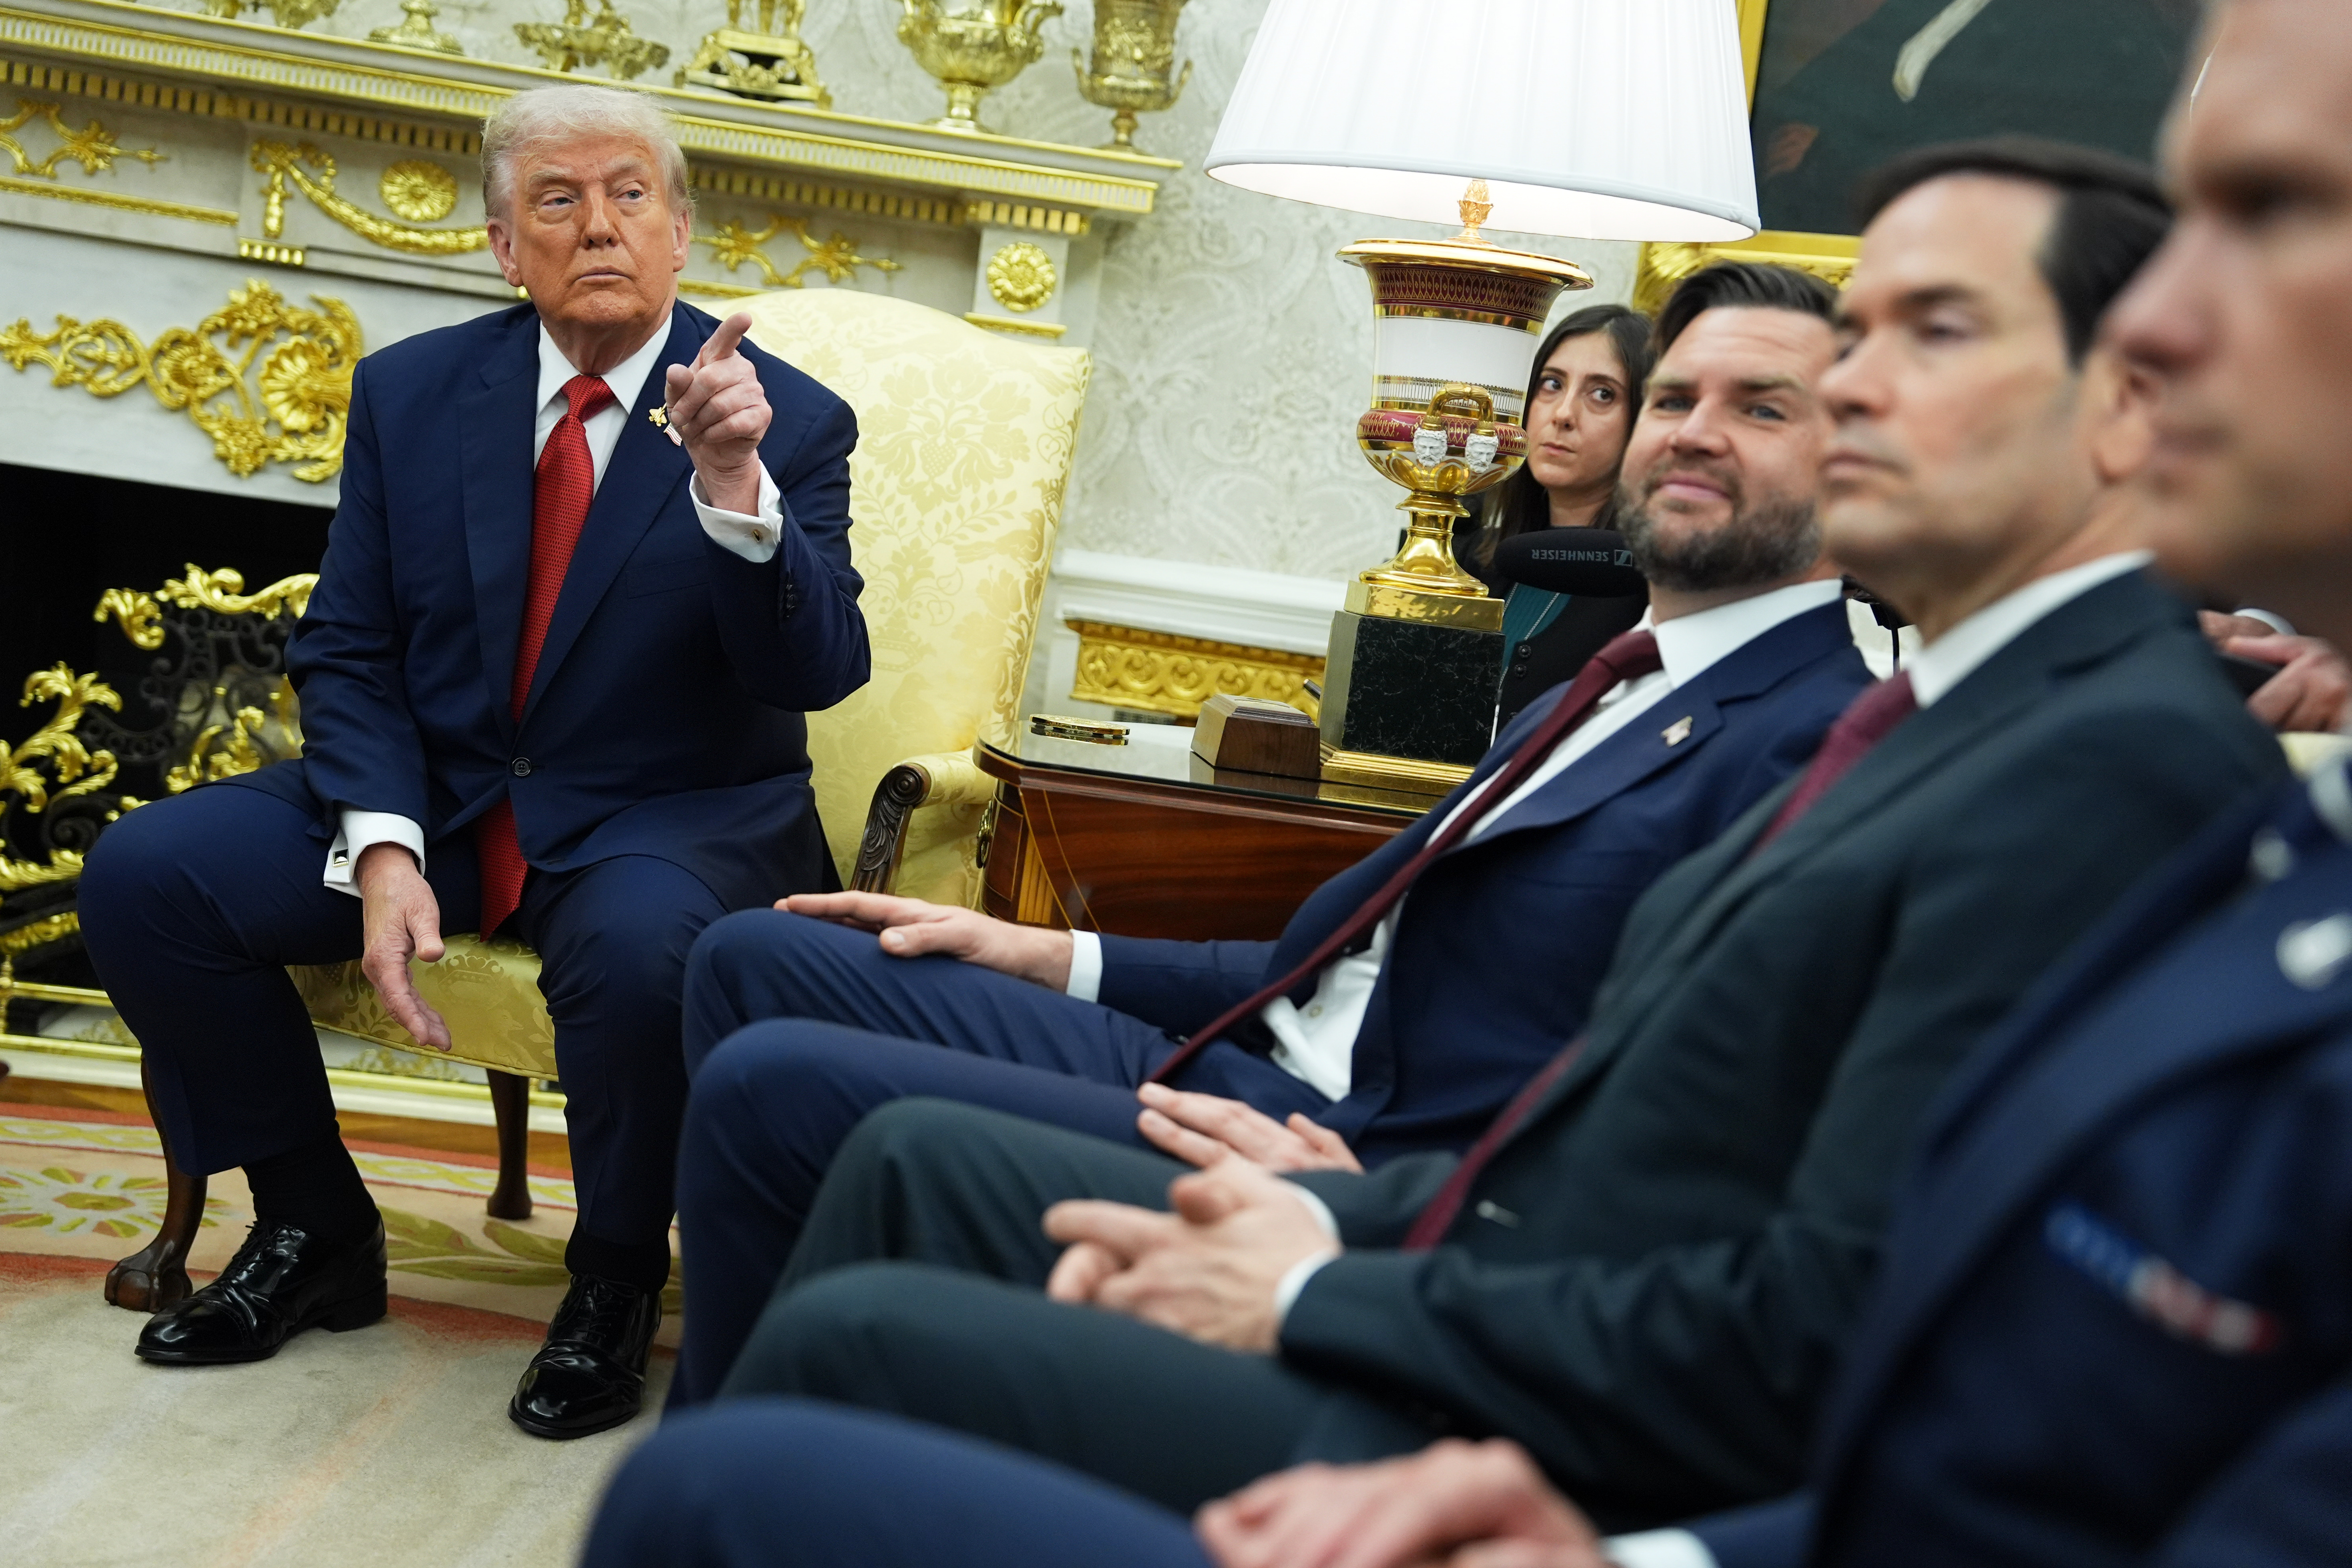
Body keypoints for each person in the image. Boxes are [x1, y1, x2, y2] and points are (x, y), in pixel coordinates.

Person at [706, 139, 2288, 1531]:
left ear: (2130, 394)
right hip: (1437, 1229)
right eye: (1850, 339)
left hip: (1535, 1398)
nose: (1859, 385)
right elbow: (1636, 1118)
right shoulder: (1908, 704)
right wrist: (1093, 980)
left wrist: (1334, 1259)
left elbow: (1834, 1294)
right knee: (822, 1095)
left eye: (1923, 336)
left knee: (776, 1404)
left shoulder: (2089, 753)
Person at [664, 263, 1879, 1404]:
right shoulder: (1607, 682)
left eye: (1760, 408)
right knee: (754, 955)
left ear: (1854, 461)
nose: (1693, 429)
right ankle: (759, 1368)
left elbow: (1678, 1112)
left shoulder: (1811, 746)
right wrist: (1043, 952)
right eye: (1673, 396)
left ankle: (746, 1448)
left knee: (775, 1088)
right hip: (1240, 1055)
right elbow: (1341, 963)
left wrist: (1394, 1204)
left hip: (1331, 1148)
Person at [73, 84, 868, 1440]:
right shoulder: (416, 390)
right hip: (440, 797)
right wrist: (381, 839)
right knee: (150, 872)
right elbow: (349, 643)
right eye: (557, 201)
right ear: (506, 247)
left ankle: (614, 1280)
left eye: (631, 195)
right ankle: (316, 1225)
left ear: (682, 232)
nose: (598, 226)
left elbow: (816, 675)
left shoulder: (784, 420)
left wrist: (737, 496)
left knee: (638, 952)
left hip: (663, 816)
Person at [1464, 303, 1657, 729]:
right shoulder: (1468, 558)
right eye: (1552, 384)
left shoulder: (1651, 586)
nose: (1563, 414)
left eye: (1602, 394)